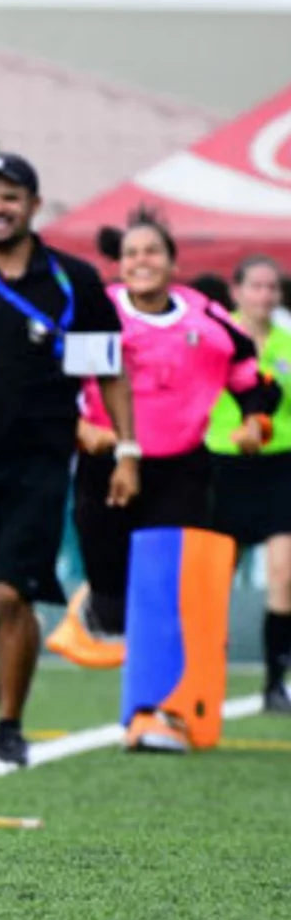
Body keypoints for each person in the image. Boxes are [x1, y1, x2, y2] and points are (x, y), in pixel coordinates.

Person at [0, 153, 135, 767]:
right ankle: (19, 643)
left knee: (12, 595)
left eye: (9, 197)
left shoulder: (72, 280)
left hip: (39, 462)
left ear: (34, 205)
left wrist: (125, 448)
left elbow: (110, 372)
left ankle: (8, 724)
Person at [48, 220, 277, 752]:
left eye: (152, 251)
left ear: (173, 262)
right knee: (115, 599)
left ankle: (153, 715)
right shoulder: (98, 313)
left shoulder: (208, 316)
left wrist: (254, 425)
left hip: (180, 469)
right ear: (120, 263)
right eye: (131, 253)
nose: (141, 260)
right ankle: (95, 607)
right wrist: (81, 430)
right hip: (105, 466)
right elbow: (59, 390)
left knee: (165, 593)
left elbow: (255, 384)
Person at [206, 256, 291, 714]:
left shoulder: (287, 344)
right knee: (216, 577)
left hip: (280, 468)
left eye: (272, 288)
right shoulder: (216, 338)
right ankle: (206, 672)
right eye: (256, 286)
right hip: (223, 464)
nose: (265, 296)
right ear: (236, 291)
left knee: (285, 574)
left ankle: (275, 682)